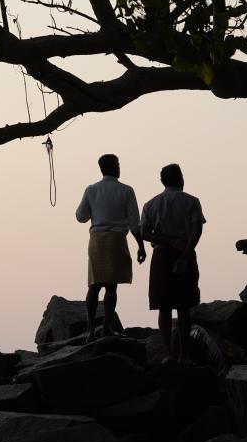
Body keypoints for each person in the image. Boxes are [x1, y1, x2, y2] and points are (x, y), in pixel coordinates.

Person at [76, 154, 147, 342]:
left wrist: (96, 211)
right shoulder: (126, 191)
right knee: (111, 287)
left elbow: (80, 216)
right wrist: (141, 246)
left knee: (94, 285)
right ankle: (106, 327)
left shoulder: (91, 190)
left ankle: (90, 330)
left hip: (97, 239)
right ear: (116, 167)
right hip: (117, 239)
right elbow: (134, 223)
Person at [140, 163, 206, 363]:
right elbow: (197, 230)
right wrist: (185, 255)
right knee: (184, 307)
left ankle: (168, 354)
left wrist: (167, 241)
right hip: (185, 253)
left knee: (164, 306)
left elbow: (144, 233)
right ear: (180, 179)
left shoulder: (151, 204)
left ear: (163, 182)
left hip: (161, 256)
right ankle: (184, 354)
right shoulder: (192, 202)